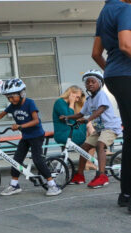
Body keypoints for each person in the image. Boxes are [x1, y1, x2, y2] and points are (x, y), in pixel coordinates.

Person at [0, 78, 62, 197]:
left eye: (13, 96)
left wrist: (20, 126)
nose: (11, 99)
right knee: (16, 160)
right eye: (8, 97)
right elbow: (1, 115)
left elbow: (36, 121)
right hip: (25, 136)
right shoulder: (12, 106)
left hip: (36, 135)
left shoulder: (29, 103)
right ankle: (14, 185)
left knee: (37, 160)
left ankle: (53, 185)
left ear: (21, 93)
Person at [92, 0, 131, 210]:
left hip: (115, 76)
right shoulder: (125, 9)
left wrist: (112, 69)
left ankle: (126, 194)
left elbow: (96, 53)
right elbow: (126, 45)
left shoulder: (105, 12)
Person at [60, 70, 122, 188]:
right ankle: (79, 175)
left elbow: (101, 109)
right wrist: (67, 117)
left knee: (100, 145)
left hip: (110, 127)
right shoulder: (89, 100)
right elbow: (80, 114)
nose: (90, 84)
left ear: (100, 83)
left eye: (93, 82)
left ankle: (102, 176)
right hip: (100, 129)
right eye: (87, 82)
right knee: (84, 148)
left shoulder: (101, 95)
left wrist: (88, 120)